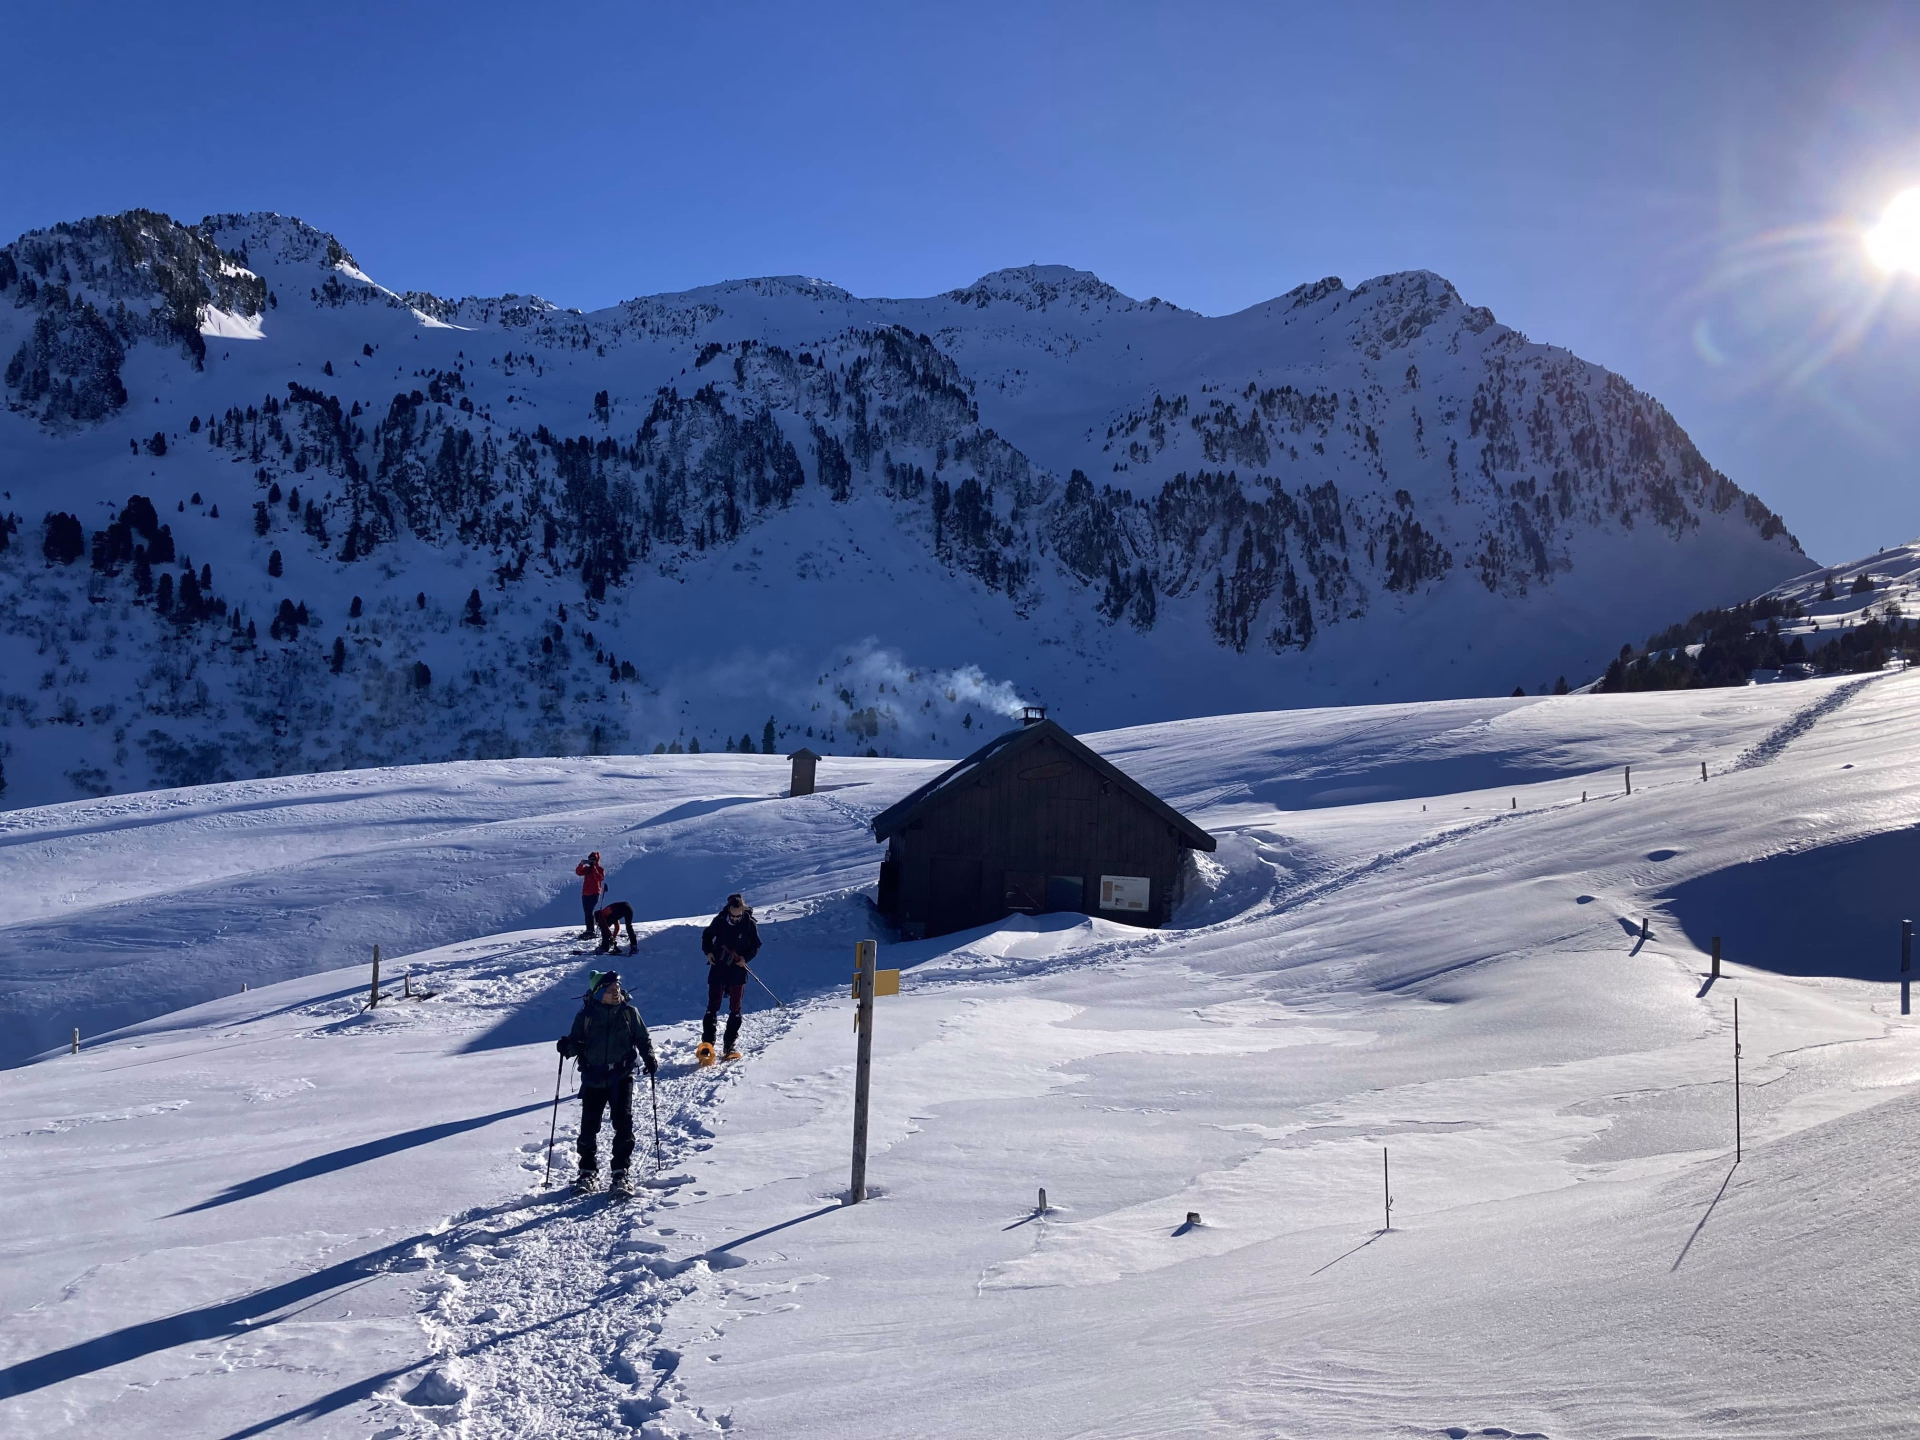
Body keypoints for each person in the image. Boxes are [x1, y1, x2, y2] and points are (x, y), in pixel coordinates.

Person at [557, 970, 657, 1196]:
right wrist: (567, 1047)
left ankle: (620, 1172)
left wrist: (649, 1057)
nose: (616, 993)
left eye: (618, 989)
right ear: (599, 992)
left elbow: (643, 1038)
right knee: (588, 1127)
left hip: (621, 1077)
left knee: (623, 1125)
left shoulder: (630, 1013)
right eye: (611, 990)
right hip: (593, 1077)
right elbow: (577, 1043)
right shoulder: (586, 1016)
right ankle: (587, 1171)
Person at [699, 893, 761, 1063]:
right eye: (732, 915)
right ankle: (707, 1044)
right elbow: (706, 936)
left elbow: (756, 946)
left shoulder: (749, 924)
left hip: (737, 969)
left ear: (742, 911)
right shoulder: (719, 920)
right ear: (728, 911)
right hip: (718, 965)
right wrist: (709, 952)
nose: (734, 918)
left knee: (735, 1008)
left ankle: (729, 1045)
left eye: (738, 915)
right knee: (712, 1006)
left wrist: (745, 959)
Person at [574, 852, 606, 938]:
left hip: (595, 893)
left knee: (589, 911)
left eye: (593, 859)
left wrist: (594, 869)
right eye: (590, 859)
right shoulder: (587, 869)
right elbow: (578, 872)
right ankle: (589, 929)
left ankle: (591, 930)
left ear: (597, 860)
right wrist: (581, 864)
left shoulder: (600, 869)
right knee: (586, 912)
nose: (592, 861)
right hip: (585, 894)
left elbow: (600, 878)